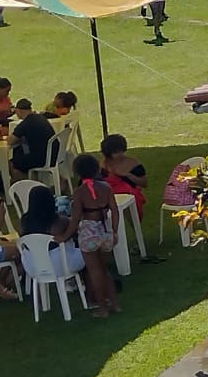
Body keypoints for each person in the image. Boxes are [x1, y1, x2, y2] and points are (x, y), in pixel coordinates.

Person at [68, 153, 120, 318]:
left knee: (94, 272)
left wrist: (65, 235)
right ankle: (115, 304)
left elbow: (75, 218)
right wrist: (114, 230)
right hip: (105, 230)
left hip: (89, 232)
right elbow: (114, 210)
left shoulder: (79, 192)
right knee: (105, 270)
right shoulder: (106, 188)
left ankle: (102, 308)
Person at [18, 183, 86, 281]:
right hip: (60, 267)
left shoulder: (23, 222)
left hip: (33, 267)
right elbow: (74, 229)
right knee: (89, 250)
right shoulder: (59, 222)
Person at [100, 133, 148, 215]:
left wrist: (128, 175)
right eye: (115, 152)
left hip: (128, 194)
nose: (119, 154)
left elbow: (144, 183)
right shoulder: (103, 164)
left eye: (120, 151)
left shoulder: (132, 163)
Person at [9, 98, 56, 179]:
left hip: (41, 158)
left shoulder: (25, 124)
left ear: (18, 111)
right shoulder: (40, 117)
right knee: (20, 153)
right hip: (53, 154)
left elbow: (11, 141)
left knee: (12, 163)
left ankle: (25, 182)